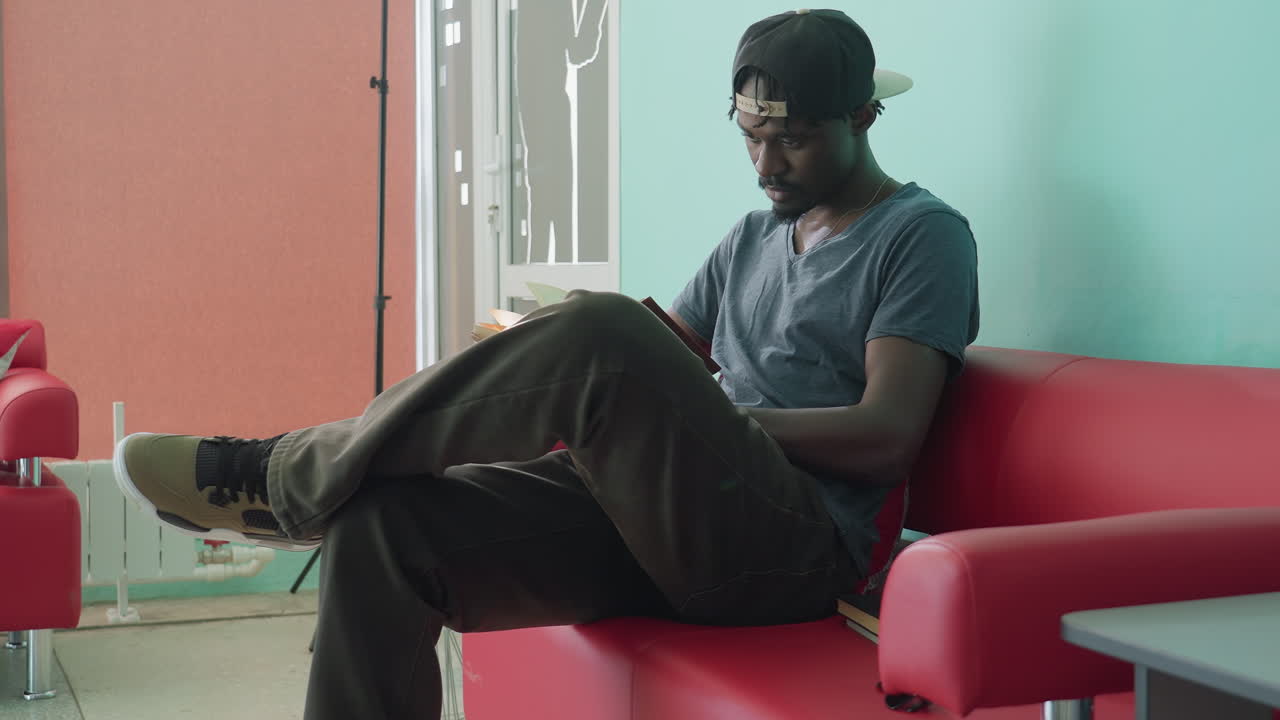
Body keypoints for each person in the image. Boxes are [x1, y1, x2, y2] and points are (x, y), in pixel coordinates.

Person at [113, 9, 978, 719]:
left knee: (601, 331)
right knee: (385, 530)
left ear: (864, 118)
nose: (764, 163)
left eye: (792, 139)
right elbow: (656, 360)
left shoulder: (919, 235)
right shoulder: (753, 237)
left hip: (797, 549)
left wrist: (703, 416)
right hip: (677, 525)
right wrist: (529, 360)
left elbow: (886, 438)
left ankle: (286, 475)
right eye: (750, 133)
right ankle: (318, 489)